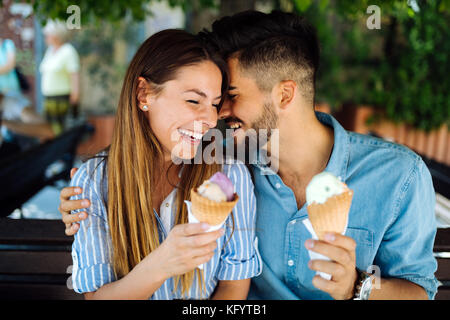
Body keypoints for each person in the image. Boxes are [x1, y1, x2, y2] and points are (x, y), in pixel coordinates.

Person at [59, 11, 438, 300]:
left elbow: (420, 290)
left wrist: (359, 286)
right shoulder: (229, 171)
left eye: (231, 96)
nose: (217, 114)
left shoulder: (399, 175)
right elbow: (150, 152)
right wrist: (89, 191)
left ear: (285, 95)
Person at [64, 29, 260, 300]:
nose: (211, 120)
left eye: (214, 104)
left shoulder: (228, 176)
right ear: (144, 94)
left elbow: (233, 286)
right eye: (193, 100)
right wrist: (162, 263)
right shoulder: (94, 180)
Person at [40, 20, 80, 136]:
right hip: (49, 99)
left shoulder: (68, 51)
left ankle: (64, 153)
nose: (45, 37)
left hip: (61, 99)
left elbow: (74, 74)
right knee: (50, 130)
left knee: (61, 132)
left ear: (56, 35)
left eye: (47, 35)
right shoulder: (50, 51)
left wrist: (75, 97)